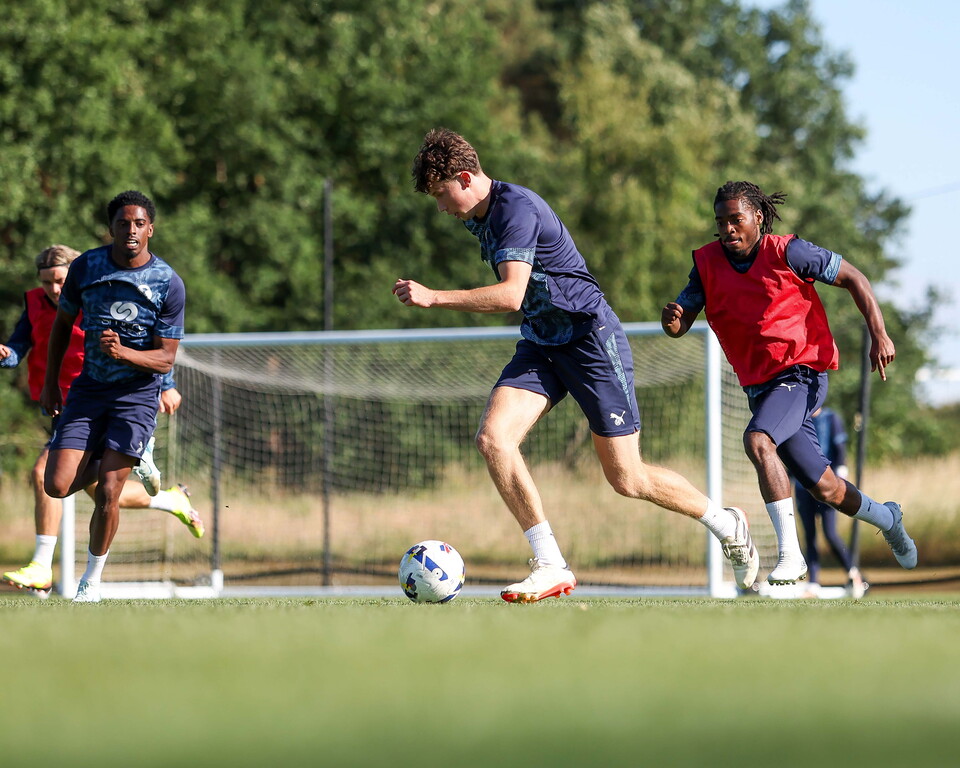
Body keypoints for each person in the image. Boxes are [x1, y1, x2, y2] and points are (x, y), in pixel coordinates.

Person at [394, 128, 760, 603]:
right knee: (493, 440)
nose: (441, 207)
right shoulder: (477, 214)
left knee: (627, 479)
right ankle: (549, 563)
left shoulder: (515, 210)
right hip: (544, 343)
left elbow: (511, 295)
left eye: (442, 195)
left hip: (591, 340)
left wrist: (433, 297)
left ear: (465, 178)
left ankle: (726, 522)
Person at [661, 180, 917, 586]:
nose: (727, 230)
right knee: (825, 488)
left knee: (758, 441)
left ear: (757, 218)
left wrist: (880, 334)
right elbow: (683, 318)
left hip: (802, 371)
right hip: (760, 386)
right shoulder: (706, 263)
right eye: (720, 222)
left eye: (736, 220)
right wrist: (673, 322)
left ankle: (790, 557)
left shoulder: (789, 251)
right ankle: (888, 518)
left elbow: (855, 278)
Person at [1, 244, 204, 597]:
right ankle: (170, 500)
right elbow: (22, 342)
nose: (54, 288)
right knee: (99, 487)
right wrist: (7, 355)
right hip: (67, 402)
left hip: (107, 396)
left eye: (60, 280)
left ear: (72, 275)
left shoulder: (92, 292)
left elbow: (141, 335)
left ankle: (42, 566)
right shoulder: (35, 303)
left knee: (48, 475)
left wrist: (166, 385)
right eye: (47, 281)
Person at [40, 191, 187, 603]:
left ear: (151, 229)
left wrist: (123, 352)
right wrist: (52, 382)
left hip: (136, 396)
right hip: (88, 390)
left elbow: (165, 359)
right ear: (112, 228)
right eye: (124, 223)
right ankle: (133, 454)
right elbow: (61, 325)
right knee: (56, 484)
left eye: (139, 223)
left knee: (108, 490)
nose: (132, 230)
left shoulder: (168, 283)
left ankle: (91, 583)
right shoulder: (87, 266)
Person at [793, 406, 865, 599]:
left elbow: (839, 446)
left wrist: (840, 470)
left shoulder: (831, 418)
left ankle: (853, 573)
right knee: (809, 536)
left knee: (830, 534)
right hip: (802, 488)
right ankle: (813, 582)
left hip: (827, 487)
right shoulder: (796, 418)